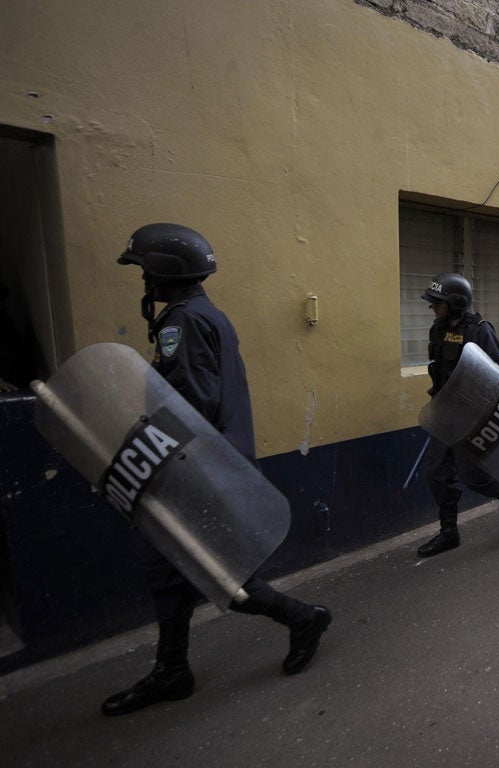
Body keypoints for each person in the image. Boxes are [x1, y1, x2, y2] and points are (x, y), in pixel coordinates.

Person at [105, 223, 331, 716]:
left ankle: (302, 618)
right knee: (174, 571)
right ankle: (173, 669)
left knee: (216, 575)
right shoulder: (210, 316)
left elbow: (191, 405)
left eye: (144, 269)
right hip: (210, 465)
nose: (142, 278)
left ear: (162, 272)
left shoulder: (180, 324)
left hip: (194, 471)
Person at [416, 273, 499, 558]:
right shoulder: (437, 329)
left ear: (455, 302)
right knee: (436, 473)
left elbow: (498, 373)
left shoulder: (478, 330)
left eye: (437, 303)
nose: (433, 308)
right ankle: (449, 532)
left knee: (472, 477)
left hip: (471, 417)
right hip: (445, 416)